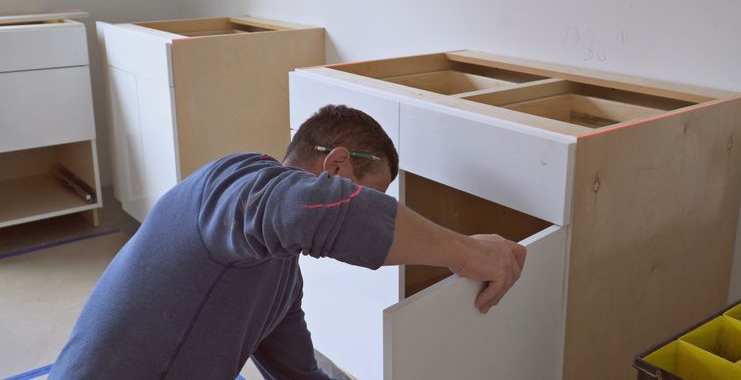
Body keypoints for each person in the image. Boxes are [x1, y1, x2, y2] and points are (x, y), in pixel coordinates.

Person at [50, 104, 526, 380]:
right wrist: (473, 252)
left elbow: (298, 375)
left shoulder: (277, 273)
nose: (374, 212)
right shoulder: (234, 184)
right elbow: (307, 210)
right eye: (373, 196)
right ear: (337, 166)